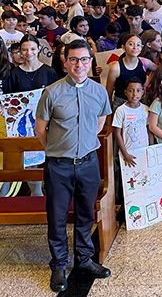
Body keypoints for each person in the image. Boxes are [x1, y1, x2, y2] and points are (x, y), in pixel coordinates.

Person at [34, 40, 112, 292]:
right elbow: (40, 129)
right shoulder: (52, 92)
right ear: (65, 61)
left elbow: (100, 123)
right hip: (59, 166)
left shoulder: (99, 91)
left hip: (88, 163)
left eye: (84, 60)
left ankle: (84, 259)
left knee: (85, 214)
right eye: (74, 60)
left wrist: (84, 144)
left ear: (91, 61)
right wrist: (60, 150)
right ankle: (58, 264)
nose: (80, 65)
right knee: (57, 217)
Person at [10, 35, 58, 196]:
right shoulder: (14, 73)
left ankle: (50, 186)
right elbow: (10, 99)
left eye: (32, 49)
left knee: (48, 153)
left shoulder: (49, 71)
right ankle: (35, 191)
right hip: (24, 121)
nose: (28, 52)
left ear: (38, 49)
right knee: (30, 154)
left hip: (47, 119)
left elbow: (56, 96)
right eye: (24, 49)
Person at [106, 34, 153, 110]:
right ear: (123, 47)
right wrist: (108, 114)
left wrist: (147, 82)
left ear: (141, 47)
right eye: (131, 44)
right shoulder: (115, 67)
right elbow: (109, 92)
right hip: (120, 104)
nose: (135, 47)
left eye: (138, 45)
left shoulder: (145, 62)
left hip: (140, 102)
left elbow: (159, 70)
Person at [112, 76, 151, 169]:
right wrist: (125, 154)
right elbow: (117, 134)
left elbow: (149, 130)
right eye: (131, 90)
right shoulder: (121, 110)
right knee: (129, 181)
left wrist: (150, 148)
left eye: (138, 90)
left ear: (143, 92)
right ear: (125, 92)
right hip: (128, 153)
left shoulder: (146, 109)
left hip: (144, 152)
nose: (134, 94)